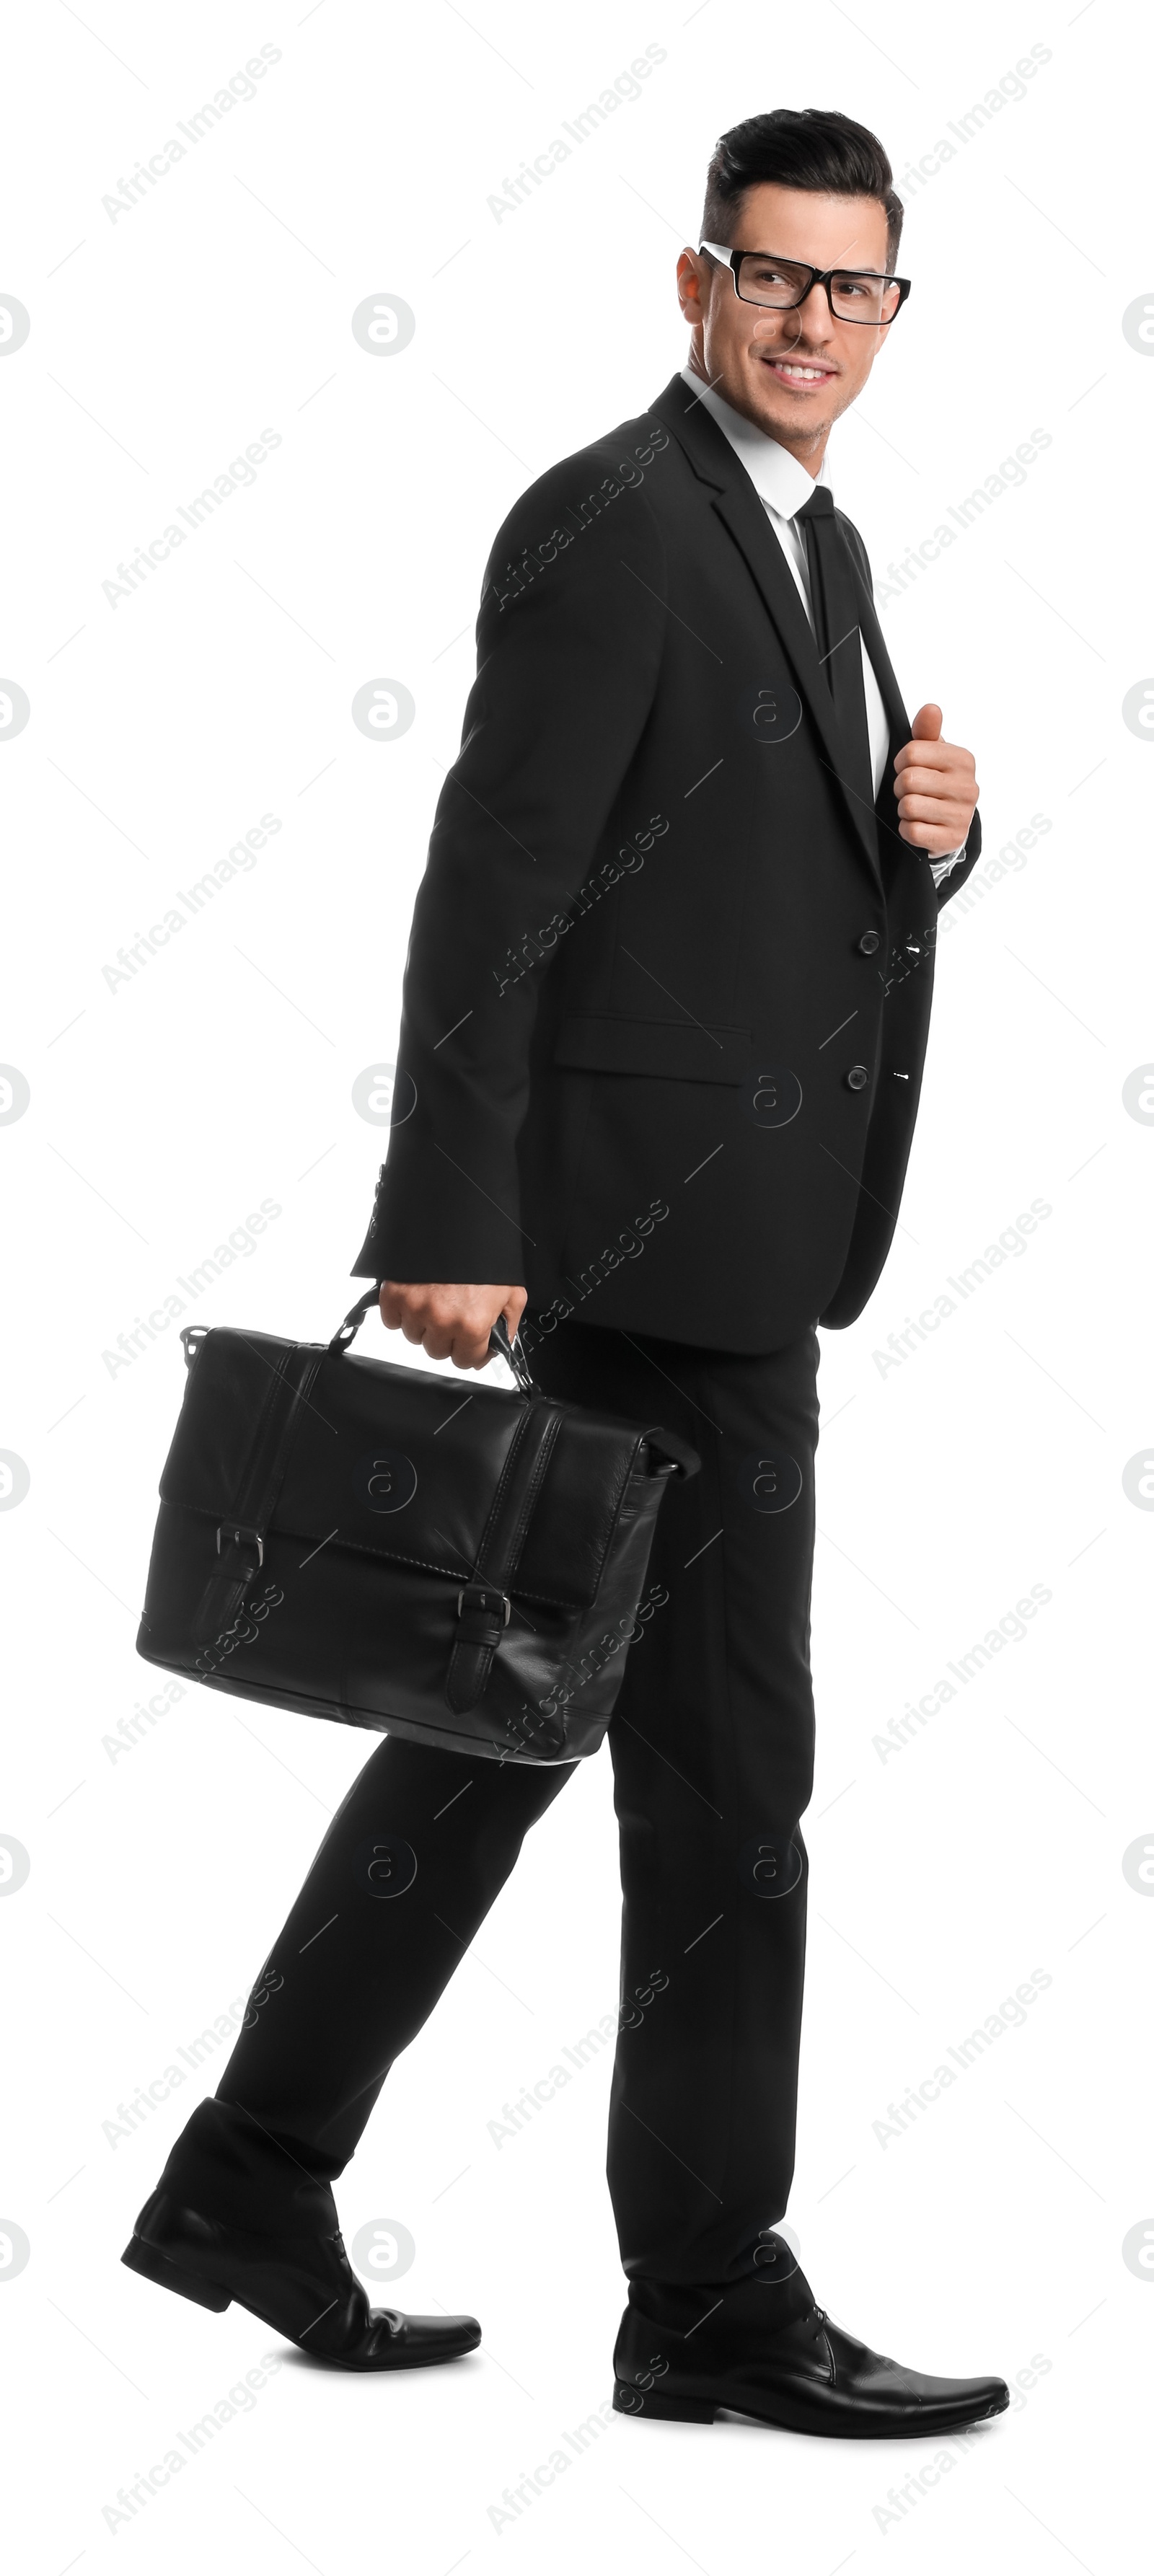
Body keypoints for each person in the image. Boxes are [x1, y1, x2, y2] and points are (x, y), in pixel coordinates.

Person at [124, 107, 1009, 2435]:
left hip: (719, 1244)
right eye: (778, 275)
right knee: (725, 1782)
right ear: (695, 276)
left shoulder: (802, 538)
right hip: (639, 1263)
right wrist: (452, 1226)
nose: (818, 320)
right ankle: (707, 2291)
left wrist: (940, 838)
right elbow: (495, 880)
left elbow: (753, 889)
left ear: (893, 311)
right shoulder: (623, 516)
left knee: (499, 1730)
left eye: (860, 288)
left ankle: (248, 2177)